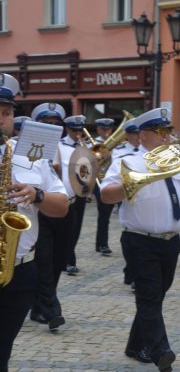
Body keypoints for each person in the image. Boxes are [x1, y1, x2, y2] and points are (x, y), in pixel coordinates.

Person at [101, 107, 180, 372]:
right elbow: (105, 195)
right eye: (160, 132)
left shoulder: (178, 160)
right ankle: (161, 352)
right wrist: (135, 184)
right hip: (139, 240)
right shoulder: (128, 162)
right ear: (144, 134)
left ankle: (135, 345)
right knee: (149, 296)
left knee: (157, 295)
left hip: (171, 240)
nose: (166, 137)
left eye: (168, 131)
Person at [0, 73, 69, 372]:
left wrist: (36, 194)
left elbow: (62, 206)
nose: (1, 119)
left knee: (3, 349)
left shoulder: (31, 155)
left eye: (6, 112)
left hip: (19, 270)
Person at [28, 102, 73, 330]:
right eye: (47, 124)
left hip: (66, 209)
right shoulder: (30, 150)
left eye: (56, 125)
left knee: (59, 259)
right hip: (40, 210)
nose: (52, 128)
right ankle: (51, 310)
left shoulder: (69, 149)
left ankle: (39, 306)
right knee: (43, 259)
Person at [58, 115, 90, 273]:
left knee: (76, 229)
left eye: (80, 130)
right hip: (66, 194)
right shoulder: (60, 146)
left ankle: (69, 258)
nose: (78, 133)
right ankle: (68, 260)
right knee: (67, 229)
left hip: (81, 192)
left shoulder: (86, 146)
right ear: (67, 129)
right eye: (75, 130)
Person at [111, 118, 140, 288]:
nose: (137, 137)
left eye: (139, 134)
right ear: (128, 135)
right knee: (132, 236)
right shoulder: (120, 152)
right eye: (134, 134)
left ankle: (131, 272)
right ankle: (133, 273)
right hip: (127, 194)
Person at [93, 118, 116, 256]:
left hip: (112, 181)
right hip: (99, 182)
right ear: (98, 129)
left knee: (107, 214)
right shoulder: (93, 143)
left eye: (109, 129)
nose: (106, 132)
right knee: (103, 214)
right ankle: (102, 244)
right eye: (103, 129)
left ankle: (101, 243)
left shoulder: (117, 143)